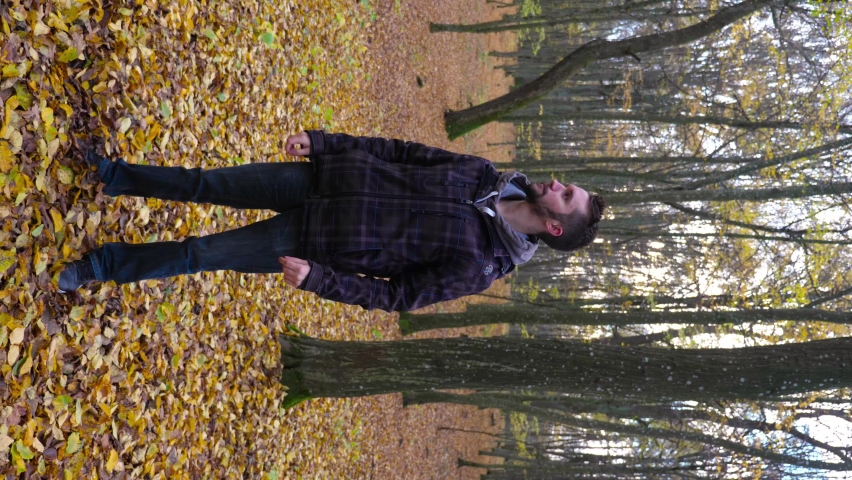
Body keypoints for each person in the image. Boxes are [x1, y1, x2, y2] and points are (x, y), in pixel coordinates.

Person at [58, 131, 606, 312]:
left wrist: (320, 280)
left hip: (311, 239)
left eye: (566, 195)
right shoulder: (486, 173)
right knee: (207, 182)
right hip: (321, 180)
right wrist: (324, 143)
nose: (557, 183)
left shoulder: (482, 266)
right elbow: (398, 151)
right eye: (566, 184)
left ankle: (99, 266)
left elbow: (396, 298)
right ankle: (114, 174)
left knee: (198, 254)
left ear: (555, 227)